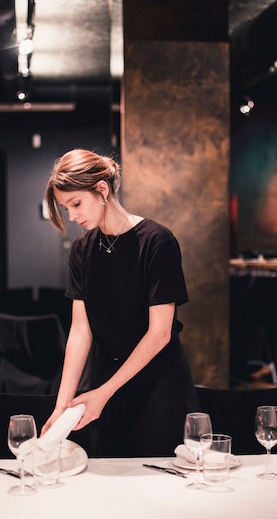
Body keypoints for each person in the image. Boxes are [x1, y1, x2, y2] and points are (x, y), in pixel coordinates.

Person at [41, 148, 200, 456]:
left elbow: (159, 334)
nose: (72, 216)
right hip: (105, 382)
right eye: (66, 208)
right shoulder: (82, 250)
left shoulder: (156, 241)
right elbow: (79, 331)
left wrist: (104, 392)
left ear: (101, 190)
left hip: (158, 382)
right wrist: (62, 404)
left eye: (76, 204)